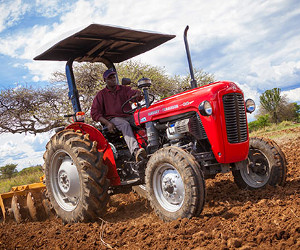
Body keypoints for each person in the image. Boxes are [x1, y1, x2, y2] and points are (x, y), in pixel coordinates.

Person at [91, 69, 147, 162]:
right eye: (110, 78)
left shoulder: (124, 89)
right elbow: (94, 113)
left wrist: (138, 94)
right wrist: (107, 123)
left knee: (143, 119)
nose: (113, 79)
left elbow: (133, 96)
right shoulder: (101, 95)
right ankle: (136, 151)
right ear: (105, 80)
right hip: (113, 119)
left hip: (128, 115)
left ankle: (151, 144)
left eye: (114, 77)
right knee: (124, 124)